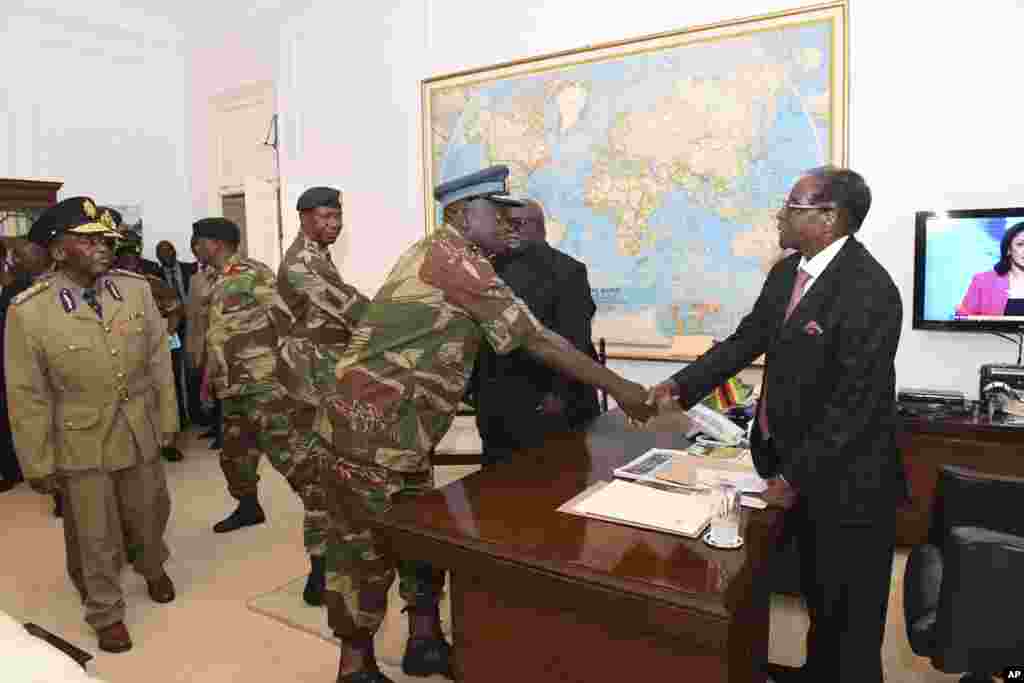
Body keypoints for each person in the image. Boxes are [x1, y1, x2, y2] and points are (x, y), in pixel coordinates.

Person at [309, 165, 653, 682]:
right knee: (362, 551)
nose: (509, 224)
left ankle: (425, 638)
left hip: (403, 433)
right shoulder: (454, 262)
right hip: (367, 433)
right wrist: (625, 391)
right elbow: (538, 339)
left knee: (416, 539)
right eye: (498, 213)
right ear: (462, 215)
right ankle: (354, 664)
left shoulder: (450, 254)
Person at [648, 166, 906, 683]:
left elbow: (852, 407)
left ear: (828, 217)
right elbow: (745, 341)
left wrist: (794, 479)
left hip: (848, 486)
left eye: (793, 206)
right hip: (789, 468)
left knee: (847, 624)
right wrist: (678, 387)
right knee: (811, 599)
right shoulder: (787, 273)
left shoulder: (870, 290)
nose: (780, 215)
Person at [5, 197, 178, 654]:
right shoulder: (31, 310)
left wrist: (168, 418)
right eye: (88, 240)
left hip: (139, 425)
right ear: (59, 251)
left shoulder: (134, 290)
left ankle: (152, 564)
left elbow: (160, 358)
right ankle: (105, 610)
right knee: (93, 531)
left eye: (104, 238)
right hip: (80, 437)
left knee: (151, 509)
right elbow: (27, 394)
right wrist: (37, 461)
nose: (103, 245)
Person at [196, 217, 327, 563]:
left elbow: (285, 318)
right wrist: (211, 376)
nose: (195, 248)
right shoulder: (213, 280)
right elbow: (218, 333)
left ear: (215, 243)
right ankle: (248, 506)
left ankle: (323, 552)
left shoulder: (254, 273)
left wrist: (294, 375)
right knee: (234, 457)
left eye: (198, 241)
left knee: (294, 461)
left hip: (264, 385)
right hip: (232, 388)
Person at [277, 186, 370, 606]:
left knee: (332, 468)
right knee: (316, 471)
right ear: (303, 217)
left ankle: (332, 557)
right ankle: (318, 571)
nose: (333, 224)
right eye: (324, 217)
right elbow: (346, 306)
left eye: (337, 217)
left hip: (325, 371)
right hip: (308, 380)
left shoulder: (319, 255)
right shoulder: (301, 263)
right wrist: (394, 316)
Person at [472, 198, 601, 466]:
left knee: (559, 487)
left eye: (518, 223)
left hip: (551, 408)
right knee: (493, 493)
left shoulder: (567, 271)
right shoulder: (489, 269)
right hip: (498, 411)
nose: (510, 231)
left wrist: (559, 395)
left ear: (540, 227)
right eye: (504, 224)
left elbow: (575, 339)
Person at [106, 211, 184, 462]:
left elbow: (174, 307)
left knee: (164, 390)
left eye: (132, 252)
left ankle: (169, 440)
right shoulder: (105, 278)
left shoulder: (150, 276)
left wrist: (168, 336)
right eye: (122, 253)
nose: (127, 259)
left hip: (155, 343)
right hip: (124, 345)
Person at [0, 234, 53, 493]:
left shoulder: (21, 289)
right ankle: (11, 469)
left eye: (19, 255)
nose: (15, 260)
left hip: (28, 362)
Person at [956, 221, 1024, 316]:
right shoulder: (982, 281)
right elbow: (962, 320)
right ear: (1008, 249)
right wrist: (960, 315)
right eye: (1020, 244)